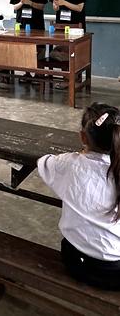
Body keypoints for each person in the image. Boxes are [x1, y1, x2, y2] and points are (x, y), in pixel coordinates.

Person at [37, 103, 120, 290]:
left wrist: (80, 154)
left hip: (75, 261)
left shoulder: (70, 163)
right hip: (115, 273)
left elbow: (44, 163)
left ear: (83, 137)